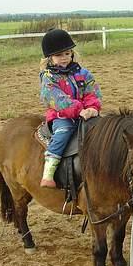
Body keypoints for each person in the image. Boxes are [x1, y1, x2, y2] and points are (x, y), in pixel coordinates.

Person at [39, 28, 102, 188]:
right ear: (50, 57)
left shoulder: (83, 73)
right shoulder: (48, 77)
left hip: (85, 114)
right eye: (59, 55)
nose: (64, 58)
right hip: (62, 117)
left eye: (67, 54)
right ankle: (49, 170)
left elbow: (92, 92)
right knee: (63, 133)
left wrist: (92, 108)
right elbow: (55, 98)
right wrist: (78, 110)